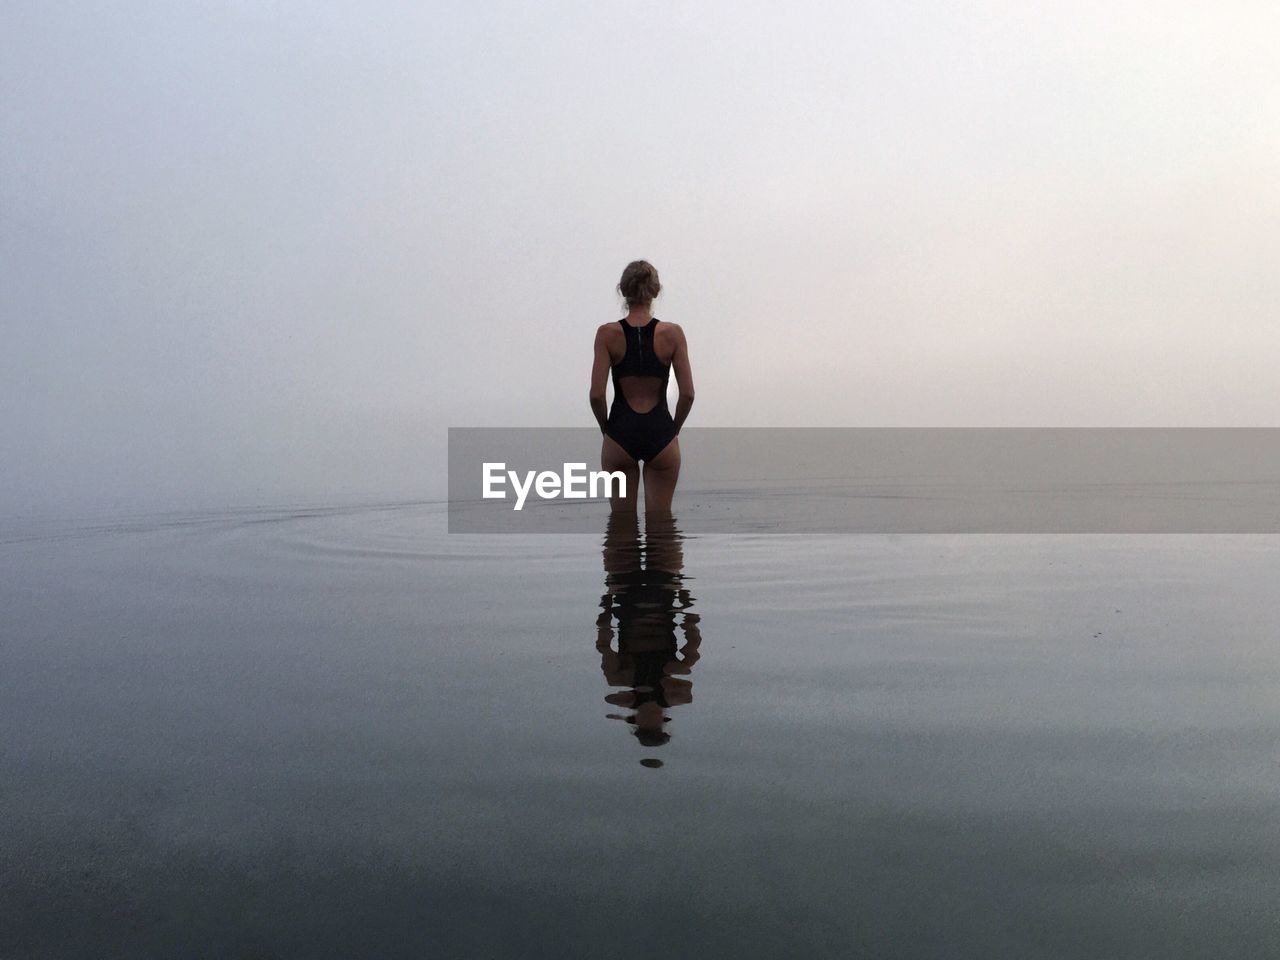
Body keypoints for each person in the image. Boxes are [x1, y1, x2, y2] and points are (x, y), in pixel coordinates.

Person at [589, 261, 695, 514]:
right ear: (655, 291)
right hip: (660, 431)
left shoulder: (607, 334)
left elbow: (596, 395)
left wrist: (607, 428)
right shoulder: (673, 334)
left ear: (624, 291)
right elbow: (688, 394)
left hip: (620, 432)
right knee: (662, 527)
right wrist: (673, 429)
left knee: (620, 526)